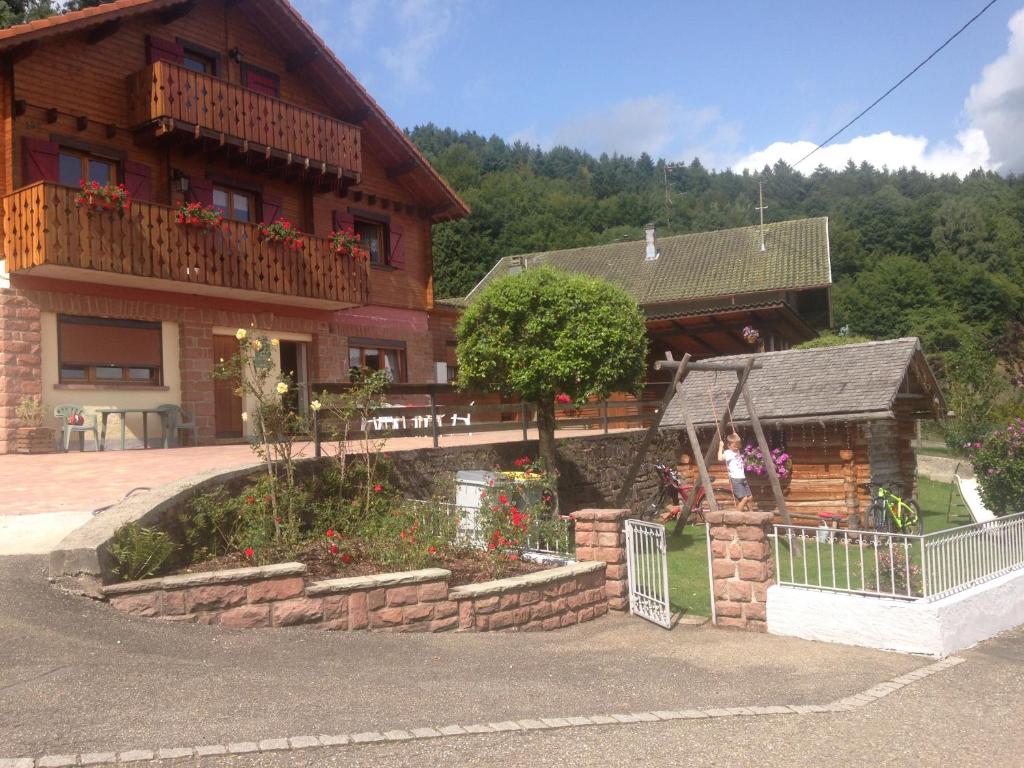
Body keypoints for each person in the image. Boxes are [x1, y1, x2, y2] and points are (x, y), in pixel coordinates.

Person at [718, 433, 752, 512]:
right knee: (744, 499)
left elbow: (736, 442)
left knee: (749, 497)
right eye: (734, 446)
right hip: (736, 479)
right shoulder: (728, 452)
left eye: (738, 446)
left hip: (743, 478)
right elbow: (720, 458)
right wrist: (720, 447)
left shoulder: (737, 451)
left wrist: (736, 436)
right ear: (729, 445)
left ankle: (751, 513)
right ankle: (736, 516)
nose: (737, 447)